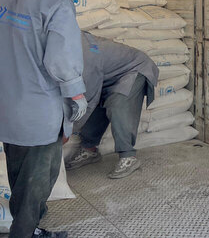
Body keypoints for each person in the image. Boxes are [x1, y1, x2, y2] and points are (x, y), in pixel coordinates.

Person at [0, 0, 87, 238]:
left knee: (19, 178)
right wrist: (76, 94)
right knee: (37, 183)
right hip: (39, 114)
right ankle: (24, 233)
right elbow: (62, 59)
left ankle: (30, 230)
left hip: (8, 110)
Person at [65, 32, 159, 179]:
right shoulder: (62, 46)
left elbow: (88, 99)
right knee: (100, 103)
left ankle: (128, 156)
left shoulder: (84, 55)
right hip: (109, 75)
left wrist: (68, 129)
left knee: (118, 104)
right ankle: (89, 149)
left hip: (133, 69)